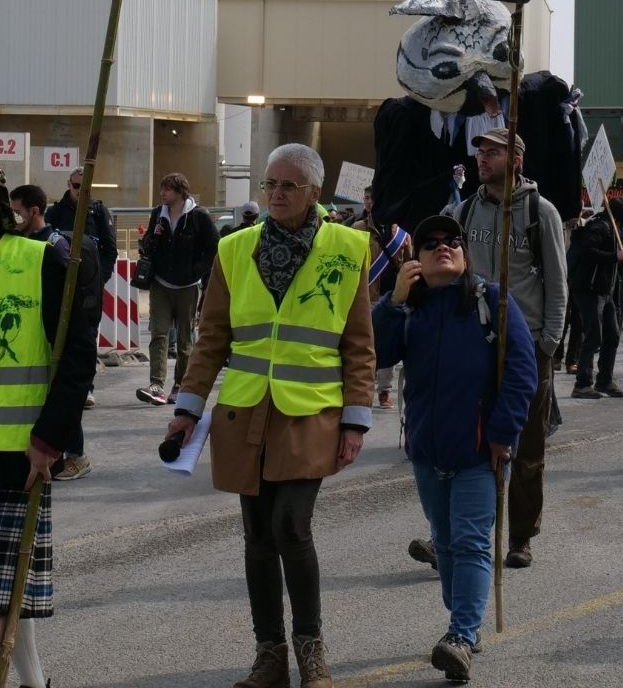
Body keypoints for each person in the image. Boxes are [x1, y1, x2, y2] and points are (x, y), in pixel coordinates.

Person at [167, 144, 374, 688]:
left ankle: (311, 649)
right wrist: (187, 411)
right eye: (270, 185)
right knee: (257, 534)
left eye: (288, 186)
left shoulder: (350, 248)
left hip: (311, 414)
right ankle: (269, 655)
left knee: (291, 526)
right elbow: (210, 339)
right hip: (244, 412)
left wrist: (356, 420)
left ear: (313, 194)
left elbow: (359, 344)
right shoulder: (233, 250)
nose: (276, 194)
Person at [373, 215, 537, 683]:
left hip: (479, 452)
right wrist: (394, 302)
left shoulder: (492, 302)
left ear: (464, 254)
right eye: (430, 244)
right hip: (427, 451)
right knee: (444, 545)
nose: (443, 248)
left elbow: (523, 372)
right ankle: (466, 621)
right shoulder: (409, 308)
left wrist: (502, 435)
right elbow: (374, 354)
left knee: (469, 542)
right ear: (416, 260)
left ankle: (461, 635)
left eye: (451, 242)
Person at [452, 128, 567, 571]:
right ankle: (465, 533)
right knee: (473, 442)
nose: (482, 157)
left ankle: (520, 536)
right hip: (477, 342)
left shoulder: (542, 213)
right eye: (480, 150)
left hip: (528, 345)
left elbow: (557, 282)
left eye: (493, 151)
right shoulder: (465, 211)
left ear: (515, 159)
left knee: (527, 448)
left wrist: (549, 342)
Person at [0, 173, 96, 688]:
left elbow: (78, 357)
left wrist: (51, 440)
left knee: (6, 589)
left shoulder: (43, 259)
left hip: (17, 453)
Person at [10, 184, 102, 482]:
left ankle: (76, 455)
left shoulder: (52, 247)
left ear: (33, 210)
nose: (13, 218)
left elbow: (67, 303)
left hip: (54, 345)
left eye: (17, 211)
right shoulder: (21, 244)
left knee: (62, 396)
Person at [135, 173, 218, 407]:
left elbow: (214, 247)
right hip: (160, 283)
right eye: (162, 189)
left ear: (181, 192)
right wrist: (154, 237)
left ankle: (180, 385)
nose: (162, 194)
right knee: (158, 333)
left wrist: (197, 271)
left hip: (188, 287)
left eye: (167, 190)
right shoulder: (157, 215)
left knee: (184, 341)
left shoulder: (198, 216)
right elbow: (147, 248)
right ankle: (156, 385)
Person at [353, 185, 411, 408]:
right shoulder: (357, 229)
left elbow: (409, 262)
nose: (369, 202)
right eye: (366, 198)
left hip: (392, 296)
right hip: (366, 295)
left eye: (373, 198)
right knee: (364, 347)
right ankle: (363, 389)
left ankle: (384, 391)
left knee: (385, 344)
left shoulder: (401, 233)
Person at [569, 198, 623, 401]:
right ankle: (582, 383)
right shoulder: (600, 226)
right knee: (594, 336)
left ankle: (604, 380)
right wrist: (615, 256)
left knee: (612, 334)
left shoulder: (614, 229)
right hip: (589, 290)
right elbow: (588, 252)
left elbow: (615, 264)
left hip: (606, 291)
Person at [46, 167, 117, 286]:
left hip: (89, 280)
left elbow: (110, 249)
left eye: (85, 186)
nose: (81, 190)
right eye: (76, 185)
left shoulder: (99, 212)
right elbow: (45, 244)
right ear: (69, 184)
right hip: (60, 279)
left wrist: (101, 279)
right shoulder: (55, 212)